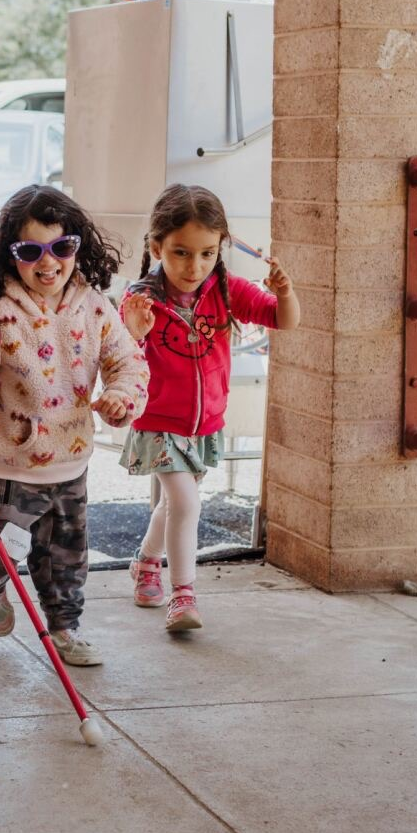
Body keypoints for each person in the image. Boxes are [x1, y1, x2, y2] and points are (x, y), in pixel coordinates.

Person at [0, 185, 148, 667]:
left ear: (77, 246)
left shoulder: (92, 305)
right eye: (31, 251)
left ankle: (65, 627)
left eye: (61, 247)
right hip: (9, 459)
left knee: (65, 555)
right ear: (11, 255)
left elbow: (127, 360)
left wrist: (120, 396)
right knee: (11, 546)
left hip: (71, 457)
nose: (48, 263)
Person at [120, 184, 298, 631]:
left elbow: (284, 319)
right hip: (158, 420)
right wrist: (135, 330)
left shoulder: (225, 290)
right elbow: (121, 356)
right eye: (180, 252)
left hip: (204, 424)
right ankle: (183, 596)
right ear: (156, 246)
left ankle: (145, 564)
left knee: (177, 504)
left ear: (221, 248)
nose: (194, 266)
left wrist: (286, 291)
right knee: (185, 502)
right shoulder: (141, 299)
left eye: (206, 253)